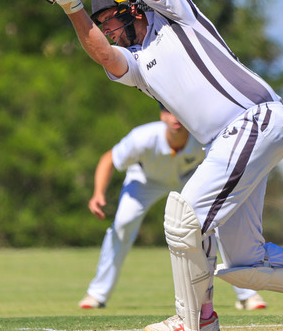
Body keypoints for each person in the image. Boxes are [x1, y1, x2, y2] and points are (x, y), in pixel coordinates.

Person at [38, 0, 283, 331]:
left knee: (184, 218)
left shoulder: (175, 15)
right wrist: (72, 7)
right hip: (230, 141)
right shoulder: (136, 63)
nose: (105, 31)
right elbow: (105, 55)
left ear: (131, 8)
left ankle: (196, 318)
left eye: (107, 21)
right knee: (245, 263)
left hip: (253, 120)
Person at [78, 104, 267, 311]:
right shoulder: (142, 137)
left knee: (218, 221)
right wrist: (98, 193)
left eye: (179, 111)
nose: (175, 117)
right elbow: (108, 159)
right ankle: (97, 294)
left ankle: (247, 294)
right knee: (123, 224)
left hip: (188, 181)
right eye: (169, 111)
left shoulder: (203, 138)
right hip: (144, 181)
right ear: (162, 116)